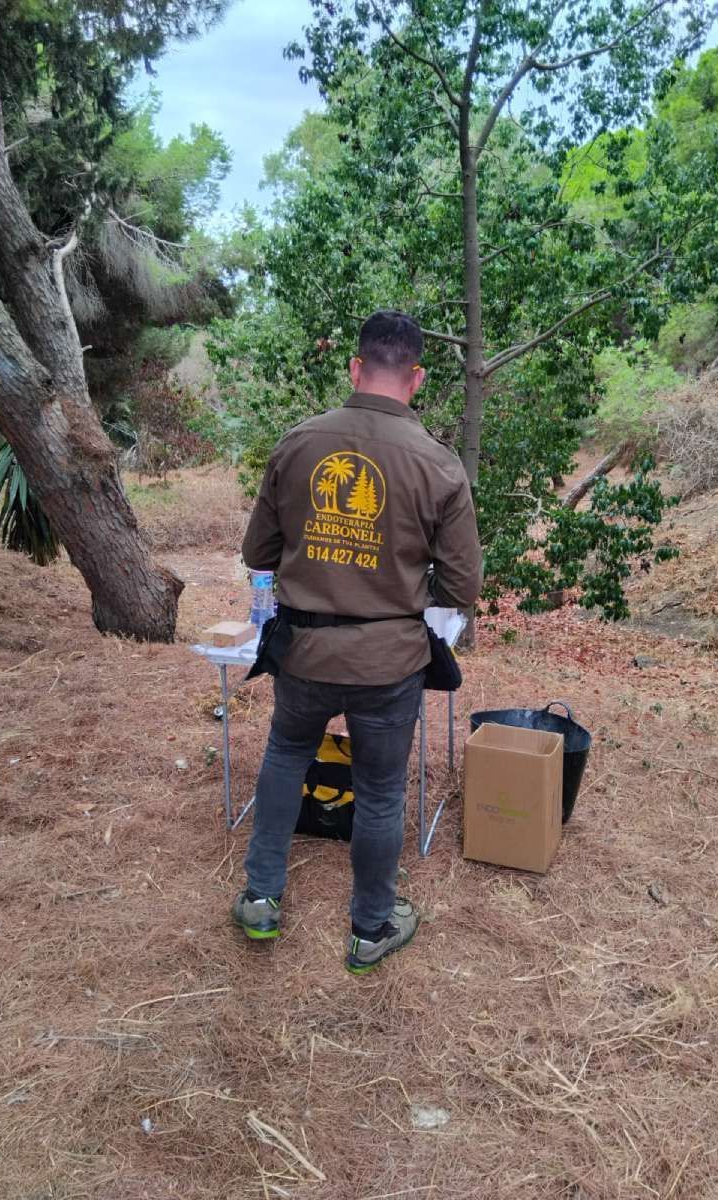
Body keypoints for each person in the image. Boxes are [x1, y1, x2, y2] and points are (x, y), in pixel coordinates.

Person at [233, 310, 483, 973]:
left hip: (305, 653)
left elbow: (256, 550)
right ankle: (370, 929)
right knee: (378, 793)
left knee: (287, 756)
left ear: (355, 368)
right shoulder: (439, 465)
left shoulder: (297, 444)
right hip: (388, 664)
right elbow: (462, 584)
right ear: (417, 377)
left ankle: (261, 899)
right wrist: (401, 597)